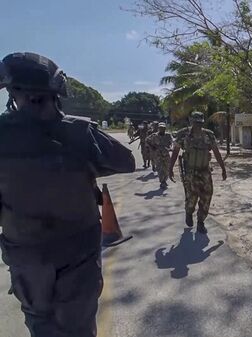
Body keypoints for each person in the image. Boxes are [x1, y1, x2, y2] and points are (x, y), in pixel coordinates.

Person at [0, 52, 135, 337]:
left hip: (28, 259)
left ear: (12, 93)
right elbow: (124, 161)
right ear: (56, 93)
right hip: (78, 257)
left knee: (41, 326)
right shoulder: (77, 133)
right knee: (80, 328)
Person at [169, 112, 226, 232]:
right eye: (195, 122)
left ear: (202, 122)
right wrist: (170, 169)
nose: (197, 125)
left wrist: (223, 168)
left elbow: (216, 152)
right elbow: (175, 152)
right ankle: (189, 211)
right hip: (190, 171)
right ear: (191, 122)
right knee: (192, 196)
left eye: (199, 122)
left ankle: (201, 221)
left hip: (205, 170)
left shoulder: (209, 135)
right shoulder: (183, 134)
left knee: (207, 195)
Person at [146, 122, 173, 189]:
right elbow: (147, 140)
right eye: (160, 128)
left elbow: (171, 142)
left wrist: (170, 147)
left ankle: (165, 179)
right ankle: (162, 181)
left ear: (165, 128)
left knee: (166, 169)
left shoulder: (168, 135)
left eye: (163, 128)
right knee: (160, 169)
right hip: (158, 155)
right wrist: (152, 146)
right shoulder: (154, 135)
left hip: (166, 154)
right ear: (158, 128)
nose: (162, 129)